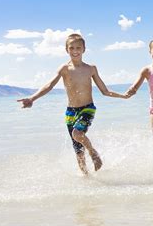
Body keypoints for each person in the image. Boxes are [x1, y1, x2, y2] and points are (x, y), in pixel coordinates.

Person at [18, 33, 128, 174]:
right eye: (72, 48)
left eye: (78, 48)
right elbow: (49, 85)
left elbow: (104, 91)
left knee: (77, 133)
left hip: (87, 108)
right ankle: (87, 178)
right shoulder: (64, 69)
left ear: (84, 49)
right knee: (77, 149)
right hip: (71, 111)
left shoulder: (91, 69)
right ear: (67, 50)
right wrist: (32, 98)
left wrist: (123, 96)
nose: (75, 51)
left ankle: (93, 153)